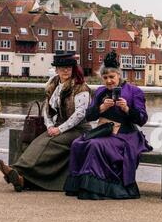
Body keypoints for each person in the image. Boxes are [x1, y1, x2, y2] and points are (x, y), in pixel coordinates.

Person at [64, 51, 152, 200]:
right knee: (77, 143)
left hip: (126, 135)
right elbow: (89, 116)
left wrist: (127, 109)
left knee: (94, 146)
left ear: (119, 75)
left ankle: (95, 189)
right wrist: (101, 109)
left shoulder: (134, 91)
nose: (109, 81)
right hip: (103, 132)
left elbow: (142, 119)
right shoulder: (100, 92)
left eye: (112, 77)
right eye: (105, 78)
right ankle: (80, 186)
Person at [0, 53, 92, 192]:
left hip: (79, 129)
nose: (65, 71)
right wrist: (49, 126)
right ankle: (21, 179)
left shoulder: (81, 88)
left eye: (68, 68)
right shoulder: (53, 85)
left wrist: (59, 129)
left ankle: (16, 170)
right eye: (62, 68)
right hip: (59, 127)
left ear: (73, 69)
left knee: (50, 142)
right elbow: (47, 108)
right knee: (38, 141)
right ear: (56, 70)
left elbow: (79, 114)